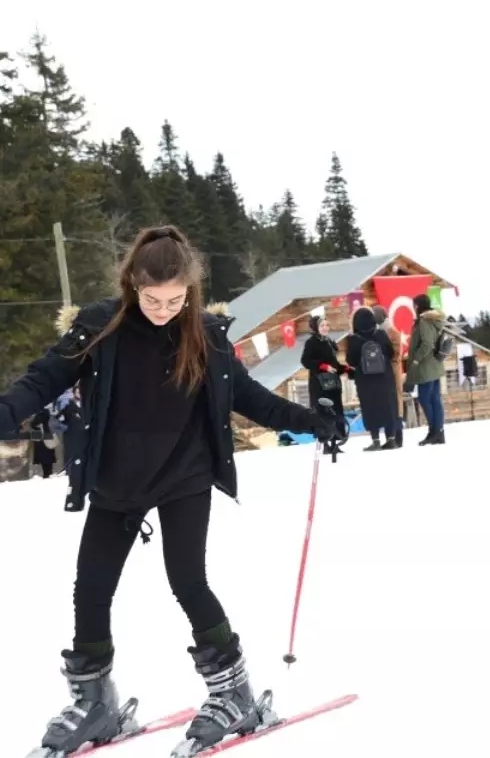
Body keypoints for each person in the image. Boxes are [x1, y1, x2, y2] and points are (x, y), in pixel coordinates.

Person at [0, 225, 346, 756]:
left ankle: (234, 693)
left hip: (184, 474)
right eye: (152, 299)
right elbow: (43, 379)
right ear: (132, 285)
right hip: (118, 478)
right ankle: (94, 700)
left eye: (176, 299)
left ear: (191, 291)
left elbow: (247, 396)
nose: (164, 309)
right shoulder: (100, 326)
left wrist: (310, 419)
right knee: (90, 587)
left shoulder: (204, 334)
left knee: (187, 579)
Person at [346, 306, 400, 450]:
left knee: (370, 408)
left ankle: (375, 441)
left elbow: (351, 360)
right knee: (388, 407)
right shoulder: (381, 334)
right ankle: (391, 439)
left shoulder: (353, 339)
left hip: (365, 381)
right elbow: (391, 352)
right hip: (385, 378)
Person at [405, 293, 448, 445]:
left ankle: (434, 431)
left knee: (424, 398)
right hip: (435, 364)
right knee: (435, 399)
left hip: (426, 366)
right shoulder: (434, 319)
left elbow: (427, 344)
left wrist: (416, 359)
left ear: (417, 306)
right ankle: (439, 432)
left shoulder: (424, 321)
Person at [300, 313, 349, 422]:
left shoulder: (329, 341)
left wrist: (346, 370)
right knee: (323, 412)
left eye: (327, 325)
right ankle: (325, 437)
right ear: (315, 327)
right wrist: (323, 366)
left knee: (336, 410)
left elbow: (334, 365)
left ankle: (338, 435)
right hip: (319, 385)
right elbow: (305, 361)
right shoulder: (311, 342)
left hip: (333, 384)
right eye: (322, 326)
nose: (325, 328)